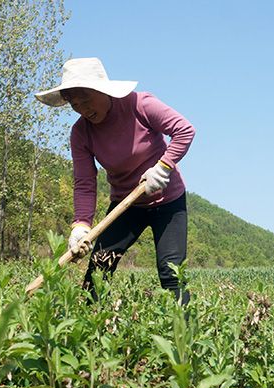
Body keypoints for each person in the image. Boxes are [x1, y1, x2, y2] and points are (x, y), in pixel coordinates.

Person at [35, 57, 195, 304]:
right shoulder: (81, 133)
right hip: (126, 205)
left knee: (171, 272)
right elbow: (85, 182)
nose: (82, 108)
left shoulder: (140, 105)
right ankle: (88, 331)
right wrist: (81, 225)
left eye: (86, 98)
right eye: (74, 103)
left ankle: (184, 334)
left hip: (168, 202)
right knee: (97, 270)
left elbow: (184, 130)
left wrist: (162, 168)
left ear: (102, 90)